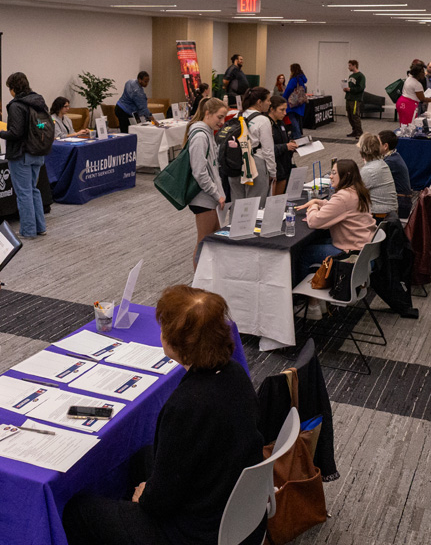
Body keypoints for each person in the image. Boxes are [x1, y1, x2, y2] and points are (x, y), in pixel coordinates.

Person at [63, 285, 264, 545]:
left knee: (78, 509)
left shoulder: (186, 405)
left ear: (175, 342)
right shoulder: (235, 373)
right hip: (237, 508)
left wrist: (145, 498)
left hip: (197, 533)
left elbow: (159, 504)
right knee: (142, 456)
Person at [293, 159, 376, 288]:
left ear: (345, 175)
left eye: (334, 173)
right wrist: (320, 202)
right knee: (317, 241)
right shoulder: (358, 191)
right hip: (364, 251)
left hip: (351, 254)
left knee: (302, 253)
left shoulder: (343, 197)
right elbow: (342, 209)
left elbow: (314, 222)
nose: (330, 176)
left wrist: (313, 206)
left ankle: (309, 300)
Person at [0, 72, 49, 238]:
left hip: (21, 154)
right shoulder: (39, 101)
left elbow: (16, 133)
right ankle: (40, 227)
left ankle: (28, 230)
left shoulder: (16, 105)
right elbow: (43, 126)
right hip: (38, 151)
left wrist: (1, 133)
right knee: (33, 190)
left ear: (13, 89)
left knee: (24, 193)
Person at [185, 98, 228, 268]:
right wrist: (216, 194)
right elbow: (199, 172)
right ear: (207, 113)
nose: (222, 122)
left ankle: (207, 279)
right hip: (203, 197)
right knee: (203, 242)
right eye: (219, 117)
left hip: (210, 196)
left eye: (224, 118)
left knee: (212, 240)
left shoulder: (208, 133)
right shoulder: (200, 136)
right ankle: (197, 285)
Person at [228, 86, 275, 202]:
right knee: (255, 205)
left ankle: (235, 221)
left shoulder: (237, 116)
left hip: (235, 162)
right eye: (268, 100)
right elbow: (268, 150)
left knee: (237, 203)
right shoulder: (263, 120)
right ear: (259, 102)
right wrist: (272, 172)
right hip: (255, 164)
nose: (270, 103)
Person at [358, 133, 398, 219]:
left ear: (362, 151)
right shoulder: (381, 163)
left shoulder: (369, 170)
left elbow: (354, 192)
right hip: (390, 213)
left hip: (378, 216)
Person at [378, 129, 414, 218]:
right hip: (402, 201)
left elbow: (374, 177)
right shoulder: (394, 156)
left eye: (377, 143)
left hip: (400, 205)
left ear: (385, 146)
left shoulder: (390, 162)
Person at [268, 95, 298, 195]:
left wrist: (291, 143)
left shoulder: (281, 123)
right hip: (274, 168)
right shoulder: (266, 125)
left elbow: (284, 139)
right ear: (272, 109)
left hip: (285, 165)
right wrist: (285, 147)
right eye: (282, 110)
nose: (285, 113)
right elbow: (266, 149)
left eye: (285, 110)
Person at [282, 63, 308, 139]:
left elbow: (288, 90)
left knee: (292, 119)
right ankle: (295, 134)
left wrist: (283, 99)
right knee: (297, 119)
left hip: (292, 103)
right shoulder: (302, 79)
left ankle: (297, 135)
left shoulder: (293, 79)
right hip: (300, 102)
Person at [344, 59, 366, 138]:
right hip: (349, 98)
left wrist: (351, 90)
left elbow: (361, 88)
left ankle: (359, 132)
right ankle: (354, 130)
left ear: (354, 65)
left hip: (355, 99)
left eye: (350, 65)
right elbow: (350, 86)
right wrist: (346, 89)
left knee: (355, 115)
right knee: (349, 116)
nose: (348, 67)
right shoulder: (351, 76)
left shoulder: (361, 76)